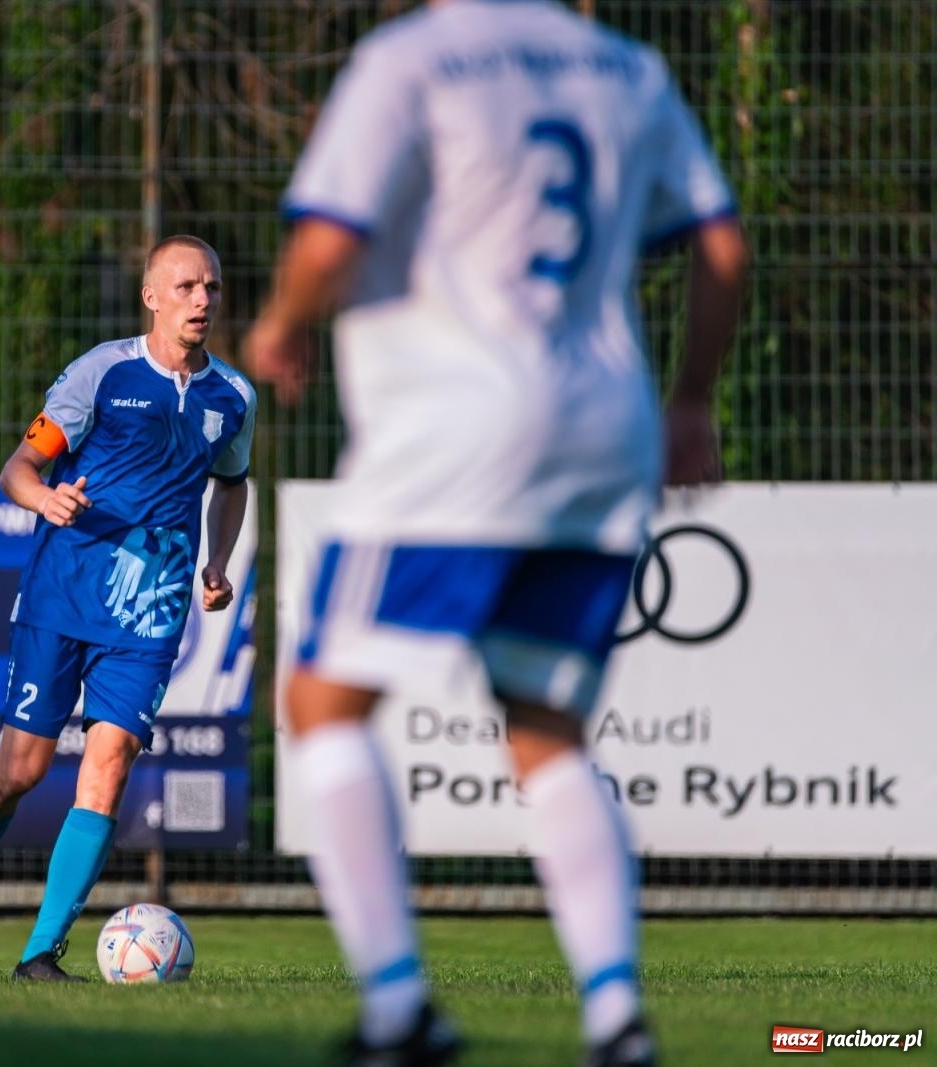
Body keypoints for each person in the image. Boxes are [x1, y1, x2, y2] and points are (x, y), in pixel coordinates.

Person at [243, 3, 747, 1065]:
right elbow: (720, 244)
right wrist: (692, 400)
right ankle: (615, 1014)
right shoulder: (627, 67)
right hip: (603, 428)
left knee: (323, 703)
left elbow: (329, 238)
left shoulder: (412, 59)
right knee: (547, 728)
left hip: (454, 430)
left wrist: (282, 321)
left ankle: (397, 1007)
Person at [0, 234, 256, 980]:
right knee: (19, 770)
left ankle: (39, 953)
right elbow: (18, 468)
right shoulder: (102, 372)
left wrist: (216, 562)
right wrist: (45, 497)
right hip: (61, 595)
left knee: (109, 764)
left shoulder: (234, 396)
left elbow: (232, 483)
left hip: (150, 612)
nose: (202, 300)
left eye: (212, 287)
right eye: (186, 286)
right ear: (151, 296)